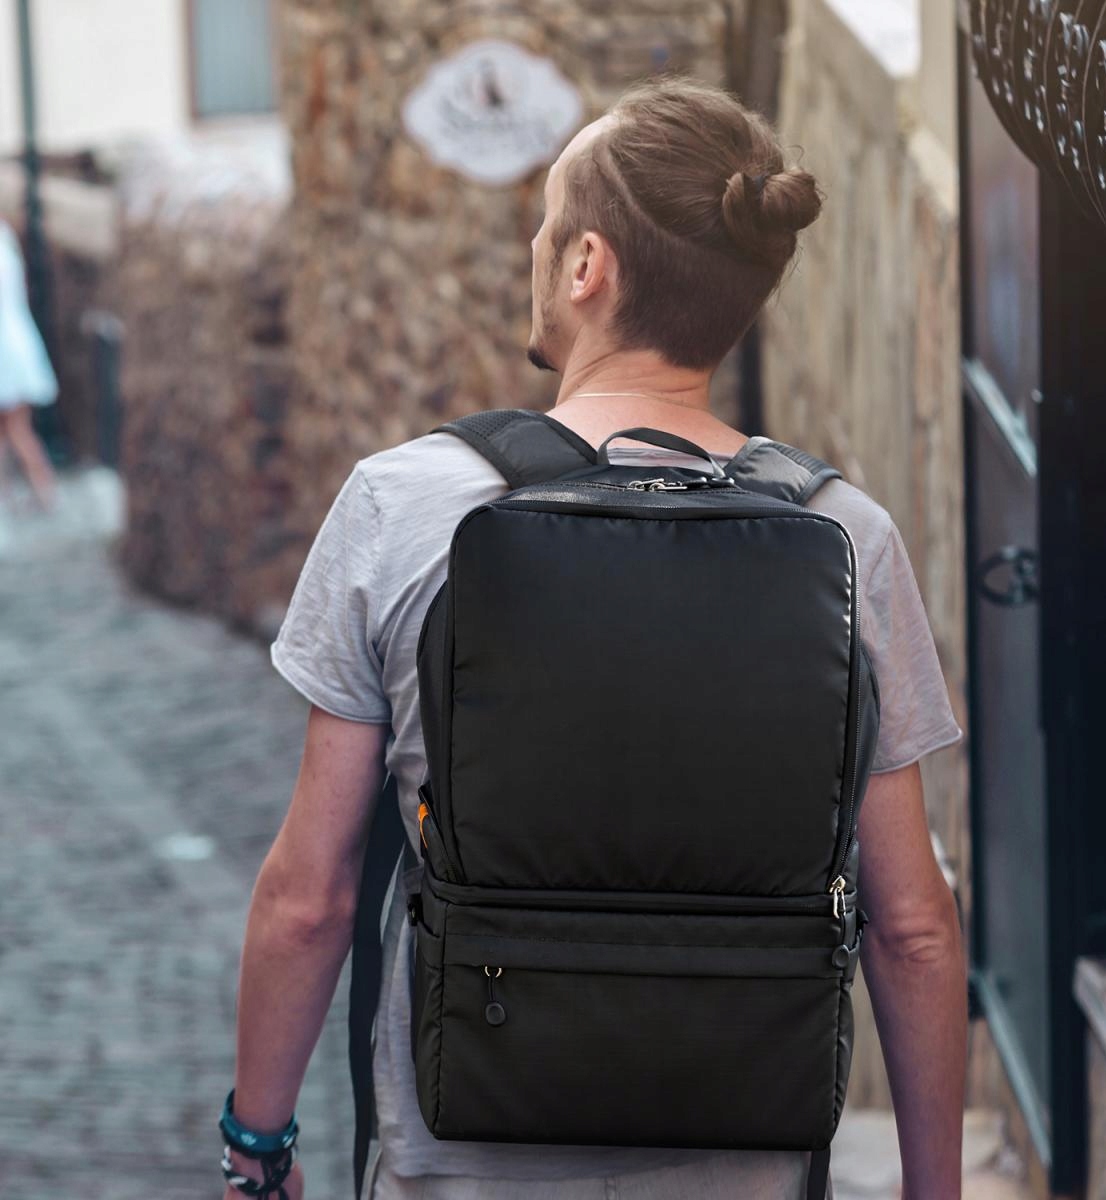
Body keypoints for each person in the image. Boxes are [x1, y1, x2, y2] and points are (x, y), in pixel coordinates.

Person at [224, 75, 968, 1200]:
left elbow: (311, 897)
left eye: (545, 223)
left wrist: (258, 1145)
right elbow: (911, 928)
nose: (532, 247)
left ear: (586, 266)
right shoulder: (845, 537)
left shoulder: (402, 505)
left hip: (461, 1162)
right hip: (744, 1162)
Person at [0, 218, 58, 512]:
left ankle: (45, 490)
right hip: (13, 342)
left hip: (7, 350)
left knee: (16, 428)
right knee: (11, 429)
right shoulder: (6, 239)